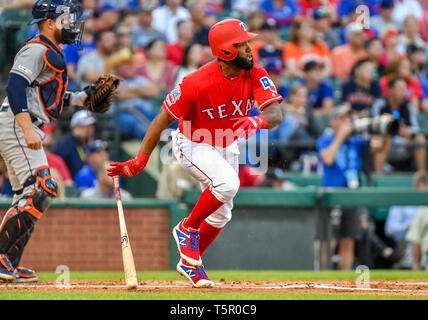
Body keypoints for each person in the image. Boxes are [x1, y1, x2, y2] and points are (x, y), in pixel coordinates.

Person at [107, 19, 283, 287]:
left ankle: (191, 263)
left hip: (226, 143)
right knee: (227, 184)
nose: (249, 48)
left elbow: (275, 113)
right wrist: (140, 160)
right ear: (225, 51)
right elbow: (160, 121)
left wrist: (257, 121)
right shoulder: (194, 82)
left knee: (222, 214)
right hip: (193, 143)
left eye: (248, 42)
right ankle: (187, 228)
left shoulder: (255, 73)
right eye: (242, 44)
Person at [0, 0, 105, 282]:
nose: (71, 25)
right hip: (17, 123)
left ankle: (7, 262)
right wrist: (27, 129)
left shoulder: (52, 52)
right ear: (50, 23)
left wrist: (85, 98)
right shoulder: (36, 49)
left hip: (23, 123)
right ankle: (1, 258)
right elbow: (15, 86)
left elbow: (51, 99)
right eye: (65, 20)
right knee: (41, 188)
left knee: (34, 194)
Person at [317, 105, 369, 270]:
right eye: (342, 118)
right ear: (333, 121)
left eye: (348, 118)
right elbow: (328, 159)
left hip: (351, 195)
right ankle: (323, 279)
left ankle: (343, 284)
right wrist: (340, 136)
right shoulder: (325, 139)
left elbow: (377, 148)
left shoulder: (355, 141)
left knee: (348, 241)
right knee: (329, 240)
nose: (346, 122)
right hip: (332, 196)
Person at [372, 77, 426, 173]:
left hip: (404, 144)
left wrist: (408, 131)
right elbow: (375, 126)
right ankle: (378, 177)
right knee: (380, 138)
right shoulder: (380, 104)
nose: (403, 92)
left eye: (404, 89)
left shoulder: (407, 106)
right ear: (390, 90)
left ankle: (421, 177)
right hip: (385, 142)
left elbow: (415, 128)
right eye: (400, 89)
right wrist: (394, 129)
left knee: (420, 138)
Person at [109, 48, 161, 139]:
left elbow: (154, 92)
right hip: (122, 115)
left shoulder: (140, 79)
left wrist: (131, 89)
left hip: (145, 113)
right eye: (127, 63)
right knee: (136, 123)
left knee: (169, 118)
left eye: (132, 62)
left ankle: (178, 150)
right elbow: (122, 94)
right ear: (117, 66)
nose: (131, 66)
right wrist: (142, 92)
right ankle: (153, 146)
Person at [385, 171, 428, 269]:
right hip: (404, 244)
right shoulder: (402, 201)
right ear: (414, 186)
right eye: (420, 186)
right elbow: (389, 229)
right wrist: (406, 227)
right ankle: (412, 262)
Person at [54, 110, 96, 178]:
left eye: (91, 126)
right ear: (75, 127)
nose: (89, 129)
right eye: (85, 126)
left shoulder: (92, 144)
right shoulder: (65, 146)